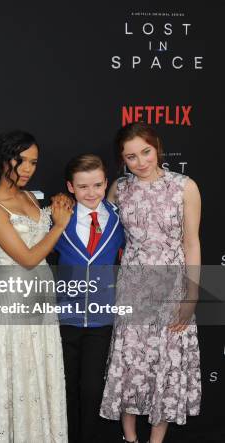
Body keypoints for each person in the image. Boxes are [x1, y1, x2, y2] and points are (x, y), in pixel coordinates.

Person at [0, 153, 126, 442]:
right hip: (62, 318)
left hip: (102, 319)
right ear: (70, 187)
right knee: (60, 388)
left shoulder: (118, 218)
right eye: (83, 186)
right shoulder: (57, 214)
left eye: (98, 185)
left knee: (92, 390)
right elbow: (29, 245)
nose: (91, 192)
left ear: (106, 184)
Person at [99, 121, 202, 443]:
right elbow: (94, 226)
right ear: (122, 160)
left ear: (157, 147)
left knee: (167, 359)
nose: (141, 162)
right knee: (130, 360)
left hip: (173, 286)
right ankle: (129, 438)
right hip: (132, 286)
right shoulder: (120, 188)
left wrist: (192, 296)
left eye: (145, 152)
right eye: (131, 157)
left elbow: (192, 243)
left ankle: (156, 440)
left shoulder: (184, 187)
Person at [0, 130, 72, 442]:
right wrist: (60, 225)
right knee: (15, 373)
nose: (27, 168)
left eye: (33, 162)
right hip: (13, 294)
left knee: (39, 371)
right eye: (20, 160)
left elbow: (30, 243)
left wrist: (57, 210)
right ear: (3, 159)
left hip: (41, 294)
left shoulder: (29, 197)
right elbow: (27, 258)